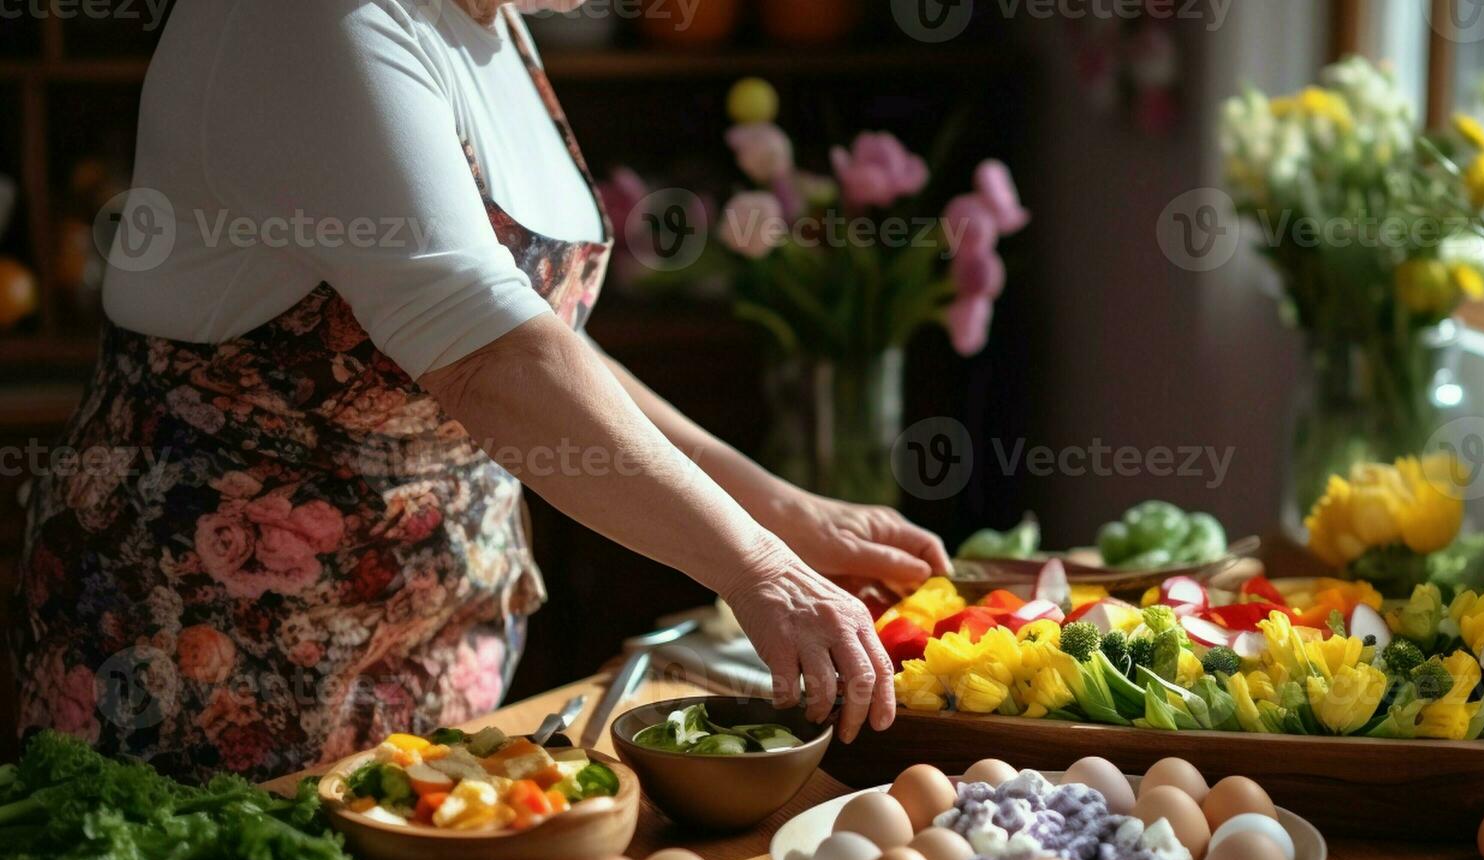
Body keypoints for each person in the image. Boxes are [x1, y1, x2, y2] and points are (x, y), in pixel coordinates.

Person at [13, 0, 947, 781]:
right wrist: (758, 567)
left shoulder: (490, 14)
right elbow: (488, 357)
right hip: (215, 666)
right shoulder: (311, 20)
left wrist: (780, 514)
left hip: (418, 663)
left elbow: (539, 339)